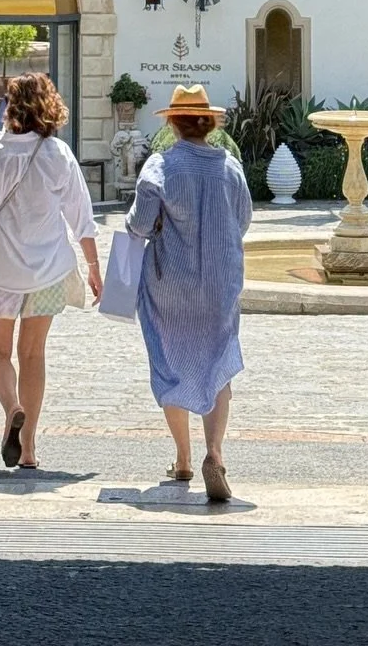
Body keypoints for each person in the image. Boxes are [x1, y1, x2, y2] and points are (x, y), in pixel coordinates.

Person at [0, 73, 102, 470]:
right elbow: (81, 216)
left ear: (11, 107)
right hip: (48, 272)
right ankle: (31, 449)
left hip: (0, 272)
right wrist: (93, 266)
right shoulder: (58, 154)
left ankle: (11, 408)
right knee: (33, 354)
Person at [127, 83, 252, 503]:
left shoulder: (160, 167)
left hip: (170, 284)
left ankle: (182, 457)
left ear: (174, 124)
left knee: (170, 361)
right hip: (219, 282)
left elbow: (140, 225)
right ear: (209, 123)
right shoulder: (230, 168)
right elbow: (244, 221)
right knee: (218, 361)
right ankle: (214, 453)